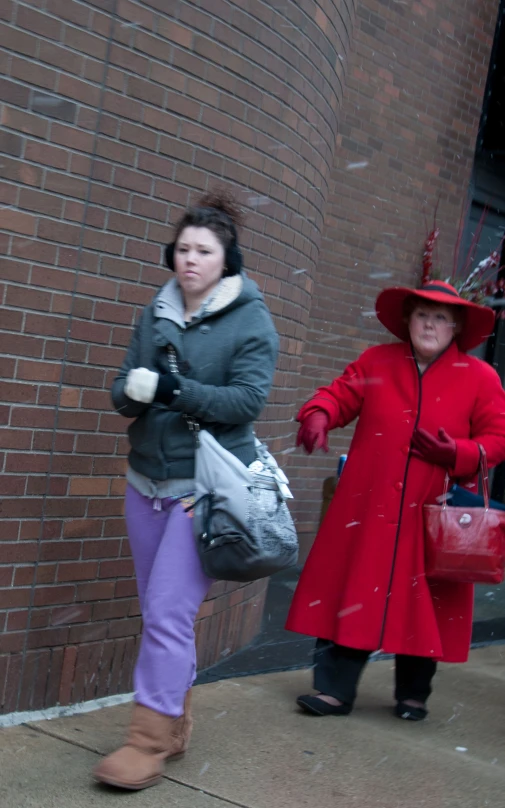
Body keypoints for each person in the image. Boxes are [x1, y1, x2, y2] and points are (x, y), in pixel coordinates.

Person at [94, 191, 279, 789]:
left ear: (227, 260)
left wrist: (174, 392)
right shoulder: (158, 310)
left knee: (170, 612)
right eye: (182, 249)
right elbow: (123, 387)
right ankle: (173, 725)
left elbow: (248, 401)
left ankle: (146, 743)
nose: (190, 259)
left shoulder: (250, 318)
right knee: (158, 611)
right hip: (143, 478)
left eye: (204, 250)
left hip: (203, 487)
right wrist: (134, 392)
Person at [286, 280, 505, 721]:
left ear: (457, 325)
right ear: (407, 319)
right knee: (352, 593)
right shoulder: (378, 360)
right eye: (422, 314)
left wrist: (456, 454)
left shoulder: (481, 377)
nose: (430, 324)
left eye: (441, 317)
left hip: (434, 512)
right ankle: (333, 690)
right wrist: (319, 415)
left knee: (422, 601)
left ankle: (412, 693)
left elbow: (497, 439)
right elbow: (338, 394)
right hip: (368, 509)